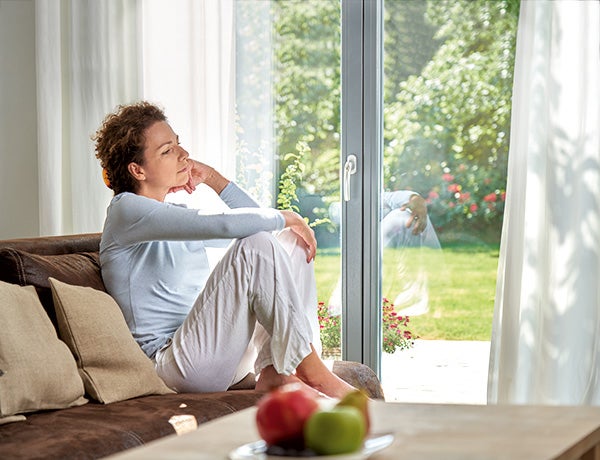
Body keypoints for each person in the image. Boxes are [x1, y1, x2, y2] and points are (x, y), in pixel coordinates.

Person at [93, 101, 354, 398]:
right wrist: (286, 216)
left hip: (214, 355)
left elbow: (262, 229)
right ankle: (313, 372)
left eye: (179, 144)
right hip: (173, 367)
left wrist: (215, 179)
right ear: (137, 170)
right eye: (167, 151)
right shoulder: (125, 211)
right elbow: (227, 227)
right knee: (258, 245)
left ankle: (275, 372)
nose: (184, 155)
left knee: (290, 242)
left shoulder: (172, 215)